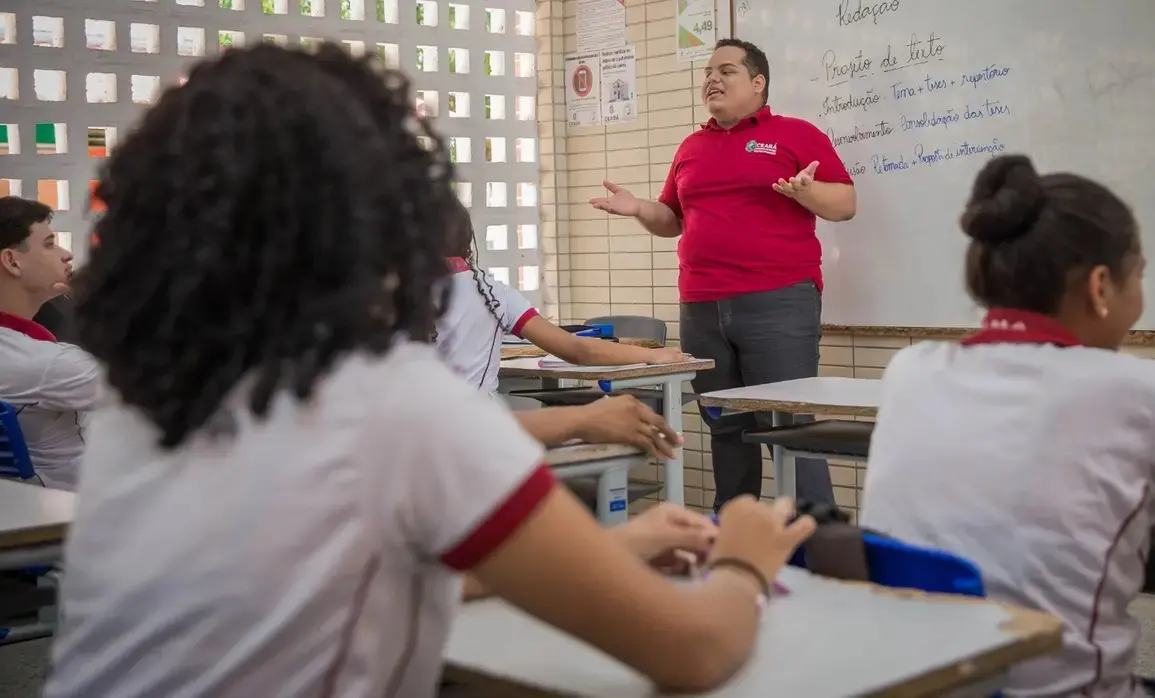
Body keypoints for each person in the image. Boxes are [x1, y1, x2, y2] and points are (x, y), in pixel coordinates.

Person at [43, 44, 816, 698]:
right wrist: (746, 553)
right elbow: (693, 649)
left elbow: (349, 578)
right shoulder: (389, 402)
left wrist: (620, 546)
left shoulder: (148, 394)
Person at [858, 154, 1155, 698]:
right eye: (1140, 276)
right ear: (1101, 286)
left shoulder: (910, 370)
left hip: (920, 686)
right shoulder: (1132, 391)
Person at [590, 38, 857, 510]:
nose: (712, 79)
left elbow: (845, 204)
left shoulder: (796, 134)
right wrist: (638, 209)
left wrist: (806, 194)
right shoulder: (692, 146)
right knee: (725, 423)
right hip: (702, 306)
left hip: (778, 302)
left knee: (787, 421)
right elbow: (671, 220)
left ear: (758, 83)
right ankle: (733, 530)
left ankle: (819, 534)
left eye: (727, 71)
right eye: (708, 72)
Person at [434, 206, 688, 395]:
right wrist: (651, 355)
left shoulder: (400, 295)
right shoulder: (493, 293)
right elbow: (578, 350)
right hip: (474, 435)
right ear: (467, 240)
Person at [0, 196, 101, 489]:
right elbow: (165, 384)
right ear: (12, 261)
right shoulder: (48, 365)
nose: (66, 253)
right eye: (49, 244)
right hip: (73, 510)